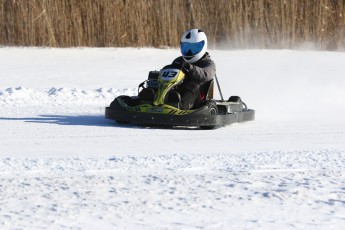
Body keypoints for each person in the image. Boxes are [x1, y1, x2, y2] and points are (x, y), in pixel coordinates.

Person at [171, 28, 216, 110]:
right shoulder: (179, 60)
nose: (189, 52)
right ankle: (146, 101)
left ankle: (179, 107)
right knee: (155, 83)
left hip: (196, 97)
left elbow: (205, 74)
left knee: (191, 86)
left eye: (194, 48)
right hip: (177, 89)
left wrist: (190, 68)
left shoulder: (209, 63)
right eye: (187, 47)